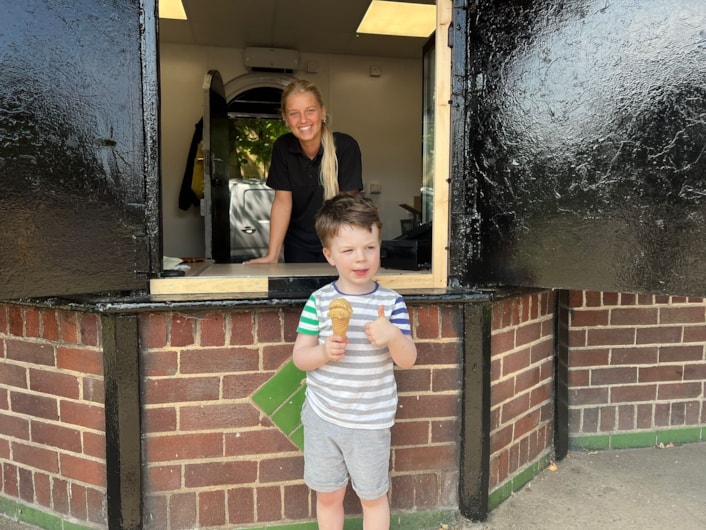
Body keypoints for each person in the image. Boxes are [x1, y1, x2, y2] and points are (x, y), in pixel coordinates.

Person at [293, 194, 417, 529]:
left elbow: (407, 360)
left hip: (371, 422)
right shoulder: (318, 302)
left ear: (379, 245)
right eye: (348, 251)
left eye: (370, 247)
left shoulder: (391, 303)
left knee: (373, 497)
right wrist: (322, 353)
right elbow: (300, 358)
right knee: (328, 496)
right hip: (323, 418)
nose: (360, 258)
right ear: (329, 255)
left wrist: (392, 336)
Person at [245, 79, 363, 264]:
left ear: (323, 112)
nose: (303, 120)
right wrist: (272, 255)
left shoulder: (345, 147)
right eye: (294, 114)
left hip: (337, 244)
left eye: (310, 111)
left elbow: (346, 208)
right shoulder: (283, 148)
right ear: (285, 118)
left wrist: (345, 252)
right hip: (297, 246)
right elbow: (282, 203)